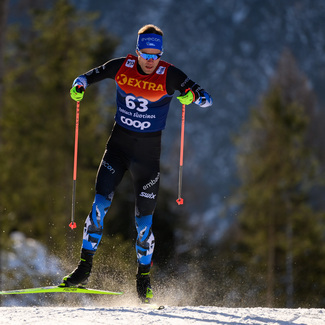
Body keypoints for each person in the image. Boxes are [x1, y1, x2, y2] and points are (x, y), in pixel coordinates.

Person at [61, 24, 212, 303]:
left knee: (143, 221)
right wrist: (78, 84)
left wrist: (193, 97)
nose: (151, 60)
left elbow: (207, 99)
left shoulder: (170, 74)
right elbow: (87, 77)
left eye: (156, 54)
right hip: (118, 148)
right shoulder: (122, 66)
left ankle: (143, 277)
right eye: (146, 53)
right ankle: (84, 268)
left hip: (147, 157)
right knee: (100, 204)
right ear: (138, 50)